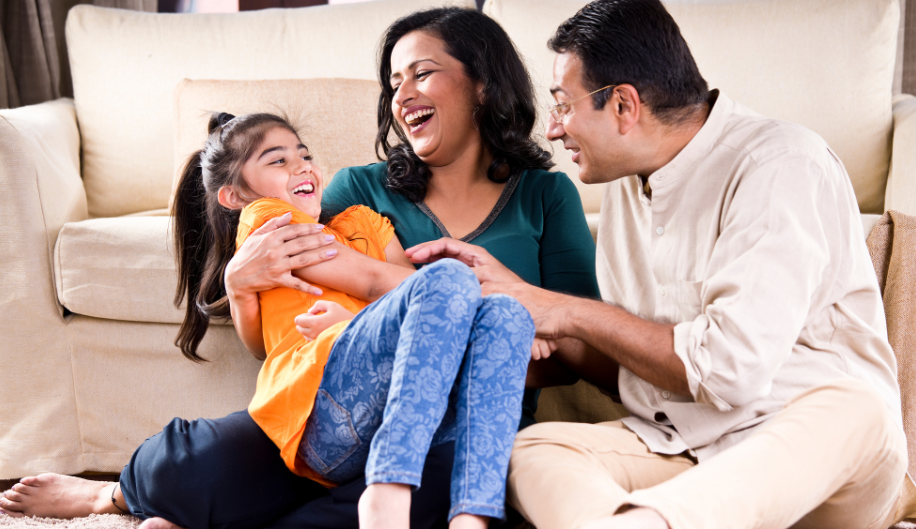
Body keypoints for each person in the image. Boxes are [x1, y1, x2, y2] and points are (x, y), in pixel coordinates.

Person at [0, 7, 599, 529]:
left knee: (435, 497)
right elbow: (298, 324)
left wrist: (475, 319)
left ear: (485, 85)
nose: (402, 93)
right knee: (198, 467)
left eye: (422, 72)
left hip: (459, 417)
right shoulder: (359, 192)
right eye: (394, 82)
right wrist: (239, 285)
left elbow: (579, 350)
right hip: (347, 396)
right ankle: (111, 492)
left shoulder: (547, 196)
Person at [405, 0, 916, 528]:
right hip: (686, 449)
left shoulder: (781, 163)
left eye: (563, 105)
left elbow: (726, 370)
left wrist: (566, 311)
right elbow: (636, 361)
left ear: (624, 105)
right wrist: (520, 311)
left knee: (855, 410)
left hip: (818, 458)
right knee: (534, 451)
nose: (554, 130)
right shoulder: (627, 187)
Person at [171, 110, 535, 529]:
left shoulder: (363, 222)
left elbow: (425, 305)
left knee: (507, 314)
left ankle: (471, 518)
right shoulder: (265, 219)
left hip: (393, 404)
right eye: (278, 160)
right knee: (452, 278)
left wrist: (355, 320)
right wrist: (349, 325)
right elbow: (382, 285)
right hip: (323, 413)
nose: (301, 165)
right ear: (234, 195)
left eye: (303, 154)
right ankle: (388, 492)